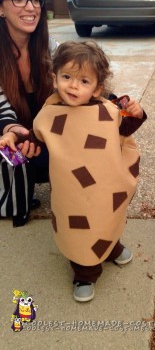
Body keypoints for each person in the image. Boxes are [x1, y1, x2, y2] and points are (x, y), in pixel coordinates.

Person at [0, 40, 147, 302]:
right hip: (72, 193)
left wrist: (136, 113)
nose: (73, 85)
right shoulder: (49, 115)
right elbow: (32, 142)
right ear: (54, 78)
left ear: (98, 87)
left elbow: (127, 130)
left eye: (84, 81)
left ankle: (110, 247)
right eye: (66, 77)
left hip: (106, 186)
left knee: (107, 218)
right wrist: (14, 144)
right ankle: (84, 272)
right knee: (79, 230)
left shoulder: (109, 110)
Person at [0, 0, 57, 227]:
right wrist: (14, 131)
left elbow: (80, 78)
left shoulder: (48, 47)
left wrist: (113, 103)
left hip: (39, 137)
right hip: (10, 139)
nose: (30, 7)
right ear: (1, 8)